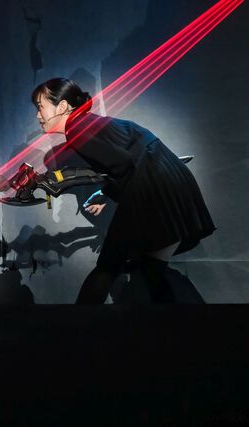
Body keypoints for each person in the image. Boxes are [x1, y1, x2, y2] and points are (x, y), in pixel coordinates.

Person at [31, 77, 216, 304]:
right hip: (169, 179)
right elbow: (123, 162)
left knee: (109, 266)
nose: (38, 116)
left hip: (153, 183)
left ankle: (79, 323)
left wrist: (108, 194)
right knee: (151, 269)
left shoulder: (76, 129)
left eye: (40, 107)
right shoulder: (84, 123)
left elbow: (124, 165)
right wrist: (105, 194)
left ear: (61, 106)